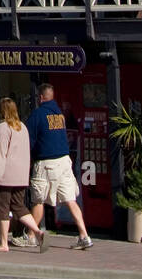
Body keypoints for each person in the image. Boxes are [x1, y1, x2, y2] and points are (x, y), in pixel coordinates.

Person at [26, 83, 93, 249]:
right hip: (64, 161)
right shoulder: (59, 114)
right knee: (70, 199)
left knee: (38, 199)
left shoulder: (38, 114)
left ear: (40, 98)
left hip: (46, 162)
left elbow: (28, 140)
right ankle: (84, 235)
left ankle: (31, 236)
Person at [0, 98, 49, 253]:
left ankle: (4, 243)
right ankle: (38, 231)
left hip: (5, 177)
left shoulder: (2, 128)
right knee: (19, 206)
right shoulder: (22, 128)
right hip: (21, 176)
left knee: (2, 209)